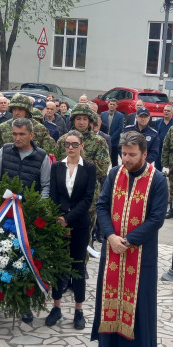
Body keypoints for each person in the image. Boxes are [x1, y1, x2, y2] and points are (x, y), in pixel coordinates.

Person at [91, 131, 168, 347]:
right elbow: (102, 206)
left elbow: (156, 219)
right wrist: (110, 237)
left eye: (132, 155)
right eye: (123, 153)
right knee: (109, 297)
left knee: (138, 304)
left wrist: (129, 240)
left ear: (144, 154)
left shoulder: (157, 180)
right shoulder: (114, 174)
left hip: (141, 254)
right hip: (112, 250)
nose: (126, 159)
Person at [0, 117, 51, 323]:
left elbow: (46, 187)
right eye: (14, 134)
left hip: (28, 217)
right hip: (3, 214)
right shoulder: (4, 151)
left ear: (31, 135)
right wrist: (2, 201)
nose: (17, 138)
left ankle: (23, 305)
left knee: (24, 261)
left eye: (21, 134)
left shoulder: (42, 157)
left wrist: (34, 207)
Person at [45, 130, 97, 330]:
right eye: (68, 144)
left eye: (75, 144)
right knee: (58, 265)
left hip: (80, 222)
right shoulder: (57, 166)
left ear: (82, 146)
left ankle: (78, 310)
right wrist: (60, 218)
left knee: (77, 265)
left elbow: (87, 198)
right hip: (59, 221)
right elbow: (54, 194)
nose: (71, 148)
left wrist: (68, 219)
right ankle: (56, 307)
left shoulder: (89, 168)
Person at [68, 103, 112, 254]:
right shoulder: (64, 140)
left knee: (86, 229)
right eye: (78, 118)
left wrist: (77, 163)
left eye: (85, 119)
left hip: (89, 193)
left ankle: (83, 262)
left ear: (90, 120)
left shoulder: (99, 141)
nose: (81, 122)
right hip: (66, 191)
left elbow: (102, 168)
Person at [0, 93, 57, 161]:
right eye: (14, 109)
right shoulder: (3, 127)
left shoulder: (40, 129)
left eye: (20, 109)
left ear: (27, 110)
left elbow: (48, 153)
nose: (16, 112)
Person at [99, 99, 125, 164]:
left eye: (114, 104)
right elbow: (100, 126)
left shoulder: (120, 115)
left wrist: (111, 138)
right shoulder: (103, 114)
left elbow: (120, 128)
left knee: (114, 160)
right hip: (103, 141)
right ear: (108, 104)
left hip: (114, 142)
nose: (112, 106)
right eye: (111, 104)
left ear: (116, 106)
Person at [155, 104, 173, 170]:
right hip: (159, 149)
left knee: (172, 168)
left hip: (171, 150)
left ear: (172, 113)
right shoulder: (158, 122)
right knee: (157, 168)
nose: (166, 112)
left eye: (168, 111)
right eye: (165, 110)